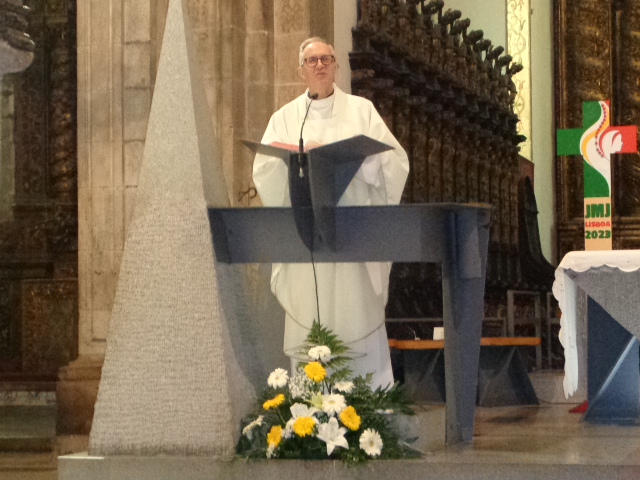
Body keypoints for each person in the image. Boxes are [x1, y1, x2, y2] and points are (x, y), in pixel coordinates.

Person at [252, 37, 409, 389]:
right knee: (311, 316)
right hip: (307, 236)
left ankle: (367, 402)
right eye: (312, 61)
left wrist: (350, 159)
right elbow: (264, 169)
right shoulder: (285, 118)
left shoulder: (361, 111)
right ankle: (310, 404)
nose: (320, 65)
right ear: (301, 70)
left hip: (352, 235)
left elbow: (393, 162)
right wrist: (297, 163)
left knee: (356, 313)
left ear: (337, 66)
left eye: (327, 59)